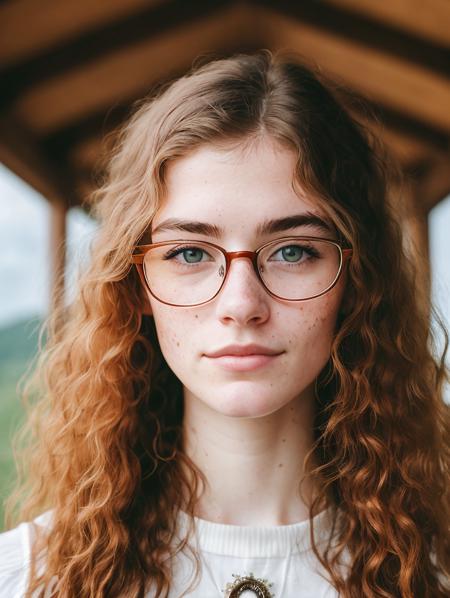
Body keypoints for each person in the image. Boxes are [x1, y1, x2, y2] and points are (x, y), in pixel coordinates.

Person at [0, 49, 449, 598]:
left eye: (292, 251)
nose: (241, 304)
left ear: (358, 278)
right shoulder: (28, 579)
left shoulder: (433, 576)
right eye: (190, 253)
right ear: (136, 284)